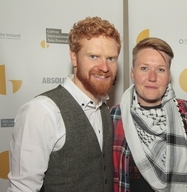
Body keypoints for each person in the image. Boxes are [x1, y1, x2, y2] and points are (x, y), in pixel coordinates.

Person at [7, 16, 121, 192]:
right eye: (93, 56)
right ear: (74, 58)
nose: (104, 67)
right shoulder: (42, 111)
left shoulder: (104, 110)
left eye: (111, 58)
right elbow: (23, 188)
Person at [111, 37, 187, 192]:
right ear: (132, 73)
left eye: (160, 69)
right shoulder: (115, 117)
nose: (152, 78)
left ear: (168, 76)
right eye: (144, 68)